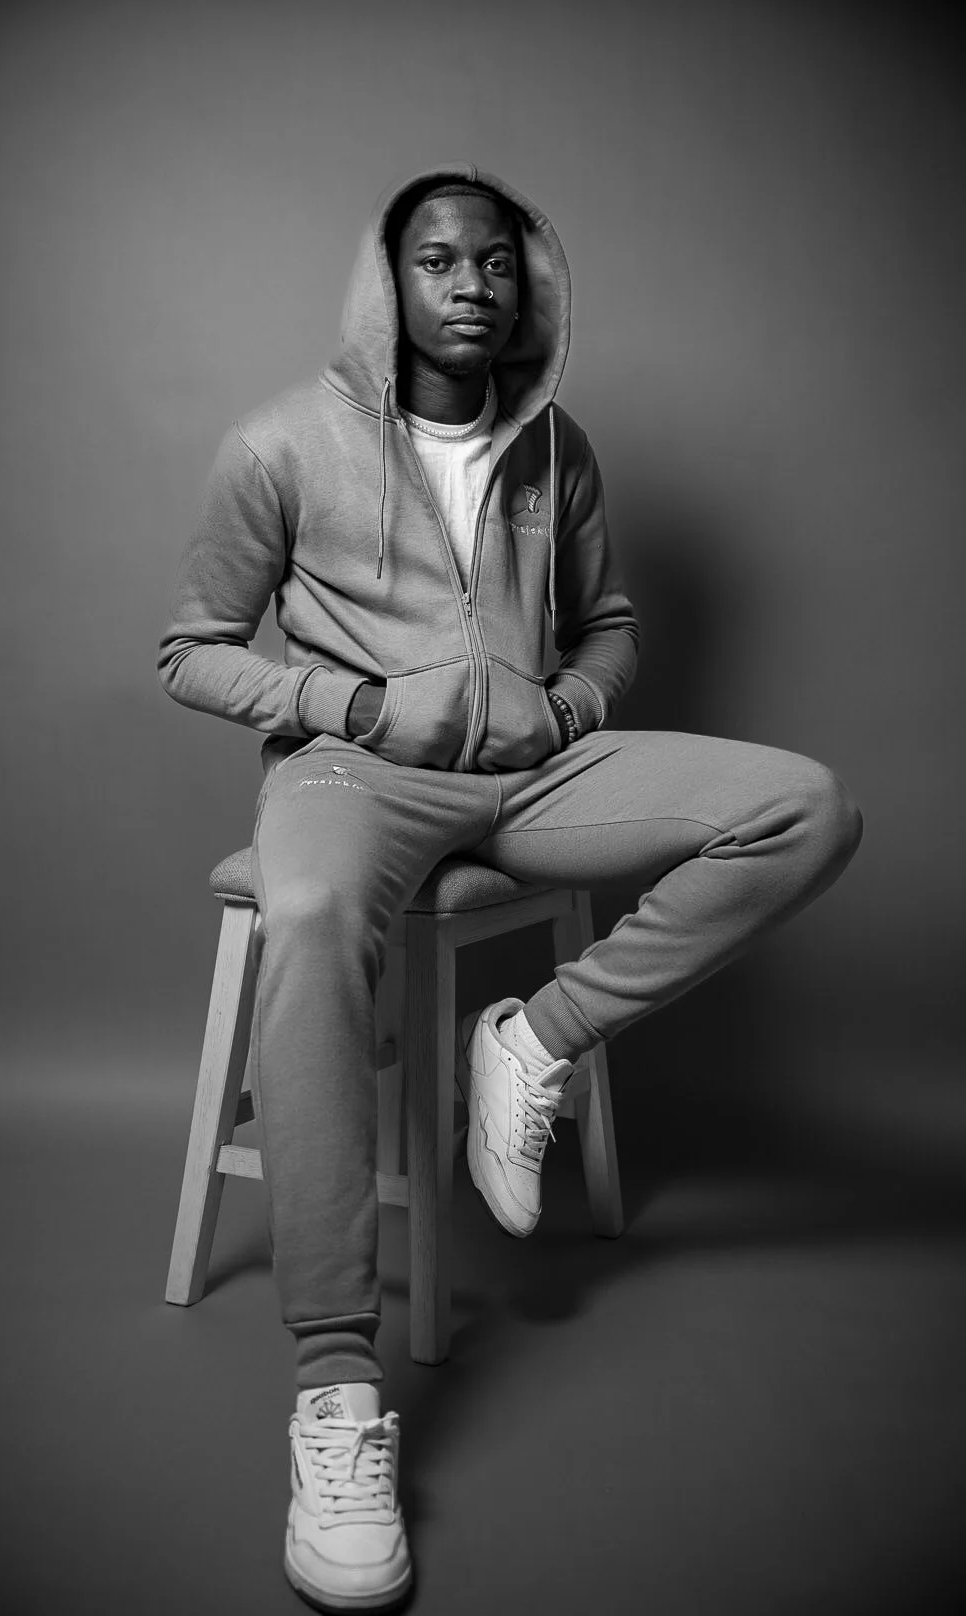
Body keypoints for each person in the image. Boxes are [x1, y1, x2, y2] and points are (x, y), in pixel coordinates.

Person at [158, 163, 862, 1613]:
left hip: (530, 777)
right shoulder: (278, 443)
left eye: (495, 263)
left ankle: (533, 1040)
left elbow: (607, 626)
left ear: (527, 285)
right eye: (438, 261)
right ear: (388, 283)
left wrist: (578, 710)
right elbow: (189, 648)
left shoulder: (560, 450)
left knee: (804, 807)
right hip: (356, 772)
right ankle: (338, 1391)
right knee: (304, 918)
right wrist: (350, 710)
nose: (472, 286)